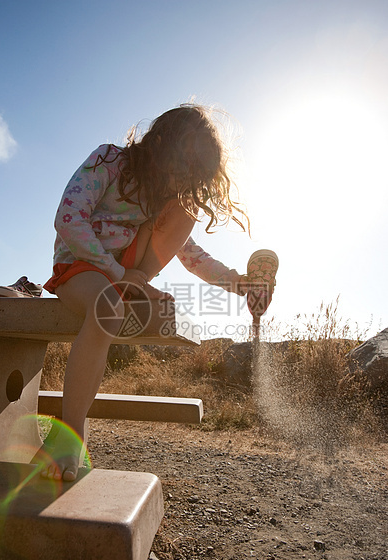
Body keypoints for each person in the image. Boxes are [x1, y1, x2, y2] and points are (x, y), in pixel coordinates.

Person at [37, 104, 278, 481]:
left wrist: (238, 283)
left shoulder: (170, 197)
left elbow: (191, 255)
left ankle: (142, 286)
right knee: (107, 308)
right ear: (160, 144)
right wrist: (120, 274)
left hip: (128, 274)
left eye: (194, 176)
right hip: (81, 264)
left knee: (186, 211)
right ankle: (69, 435)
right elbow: (68, 219)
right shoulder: (109, 160)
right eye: (183, 168)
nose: (182, 182)